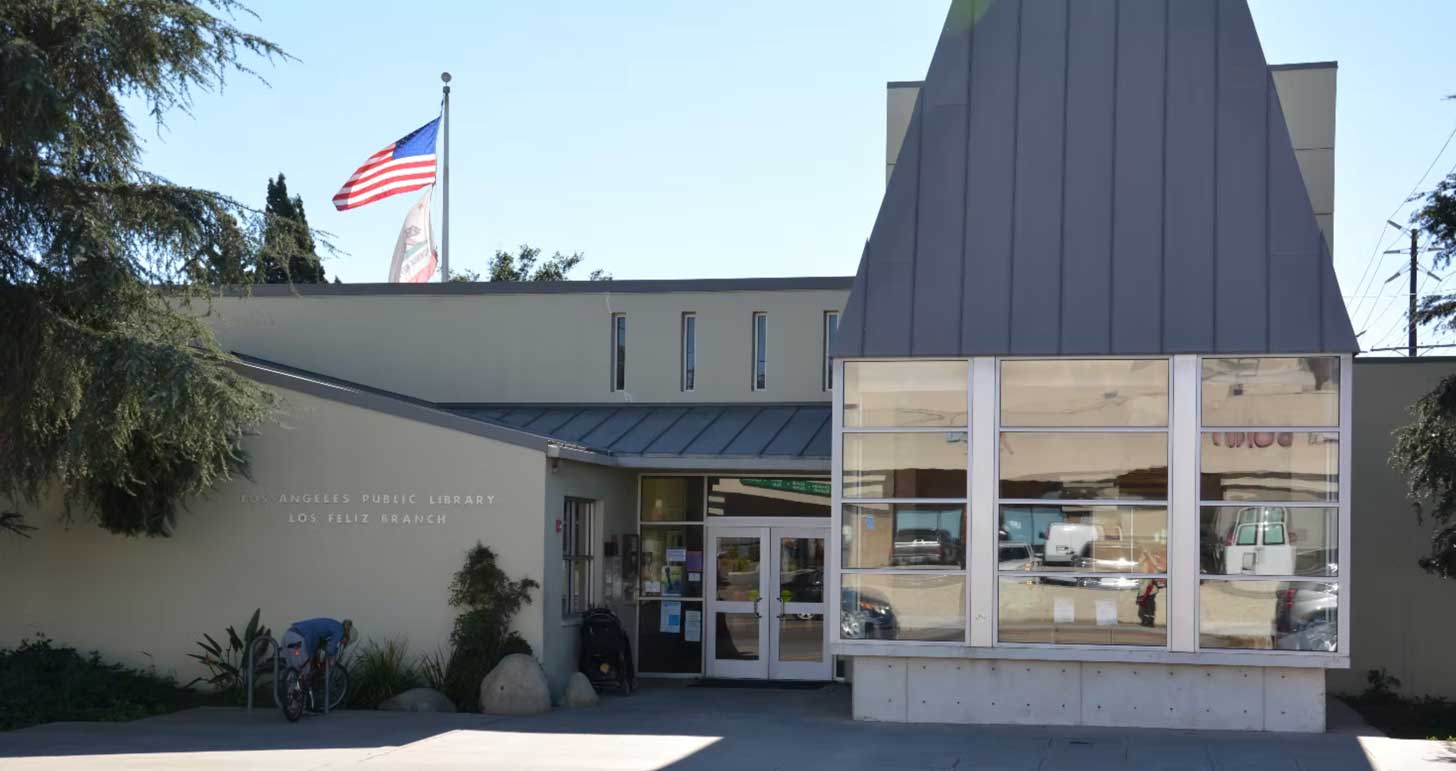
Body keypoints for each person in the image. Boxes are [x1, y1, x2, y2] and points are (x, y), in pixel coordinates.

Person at [281, 618, 353, 670]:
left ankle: (289, 690)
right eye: (346, 642)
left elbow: (320, 645)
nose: (343, 643)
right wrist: (333, 659)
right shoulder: (340, 630)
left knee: (292, 670)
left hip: (288, 634)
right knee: (305, 669)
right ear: (346, 636)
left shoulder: (332, 625)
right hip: (299, 637)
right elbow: (330, 648)